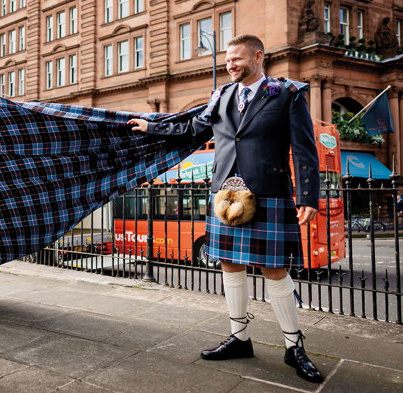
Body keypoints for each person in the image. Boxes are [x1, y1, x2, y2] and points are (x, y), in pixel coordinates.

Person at [127, 34, 322, 383]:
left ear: (258, 57)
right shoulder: (221, 96)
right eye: (227, 60)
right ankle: (239, 338)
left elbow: (304, 147)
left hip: (268, 193)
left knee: (274, 270)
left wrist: (308, 197)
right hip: (225, 197)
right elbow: (192, 128)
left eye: (236, 59)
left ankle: (294, 347)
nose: (229, 65)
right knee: (229, 265)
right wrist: (151, 125)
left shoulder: (287, 93)